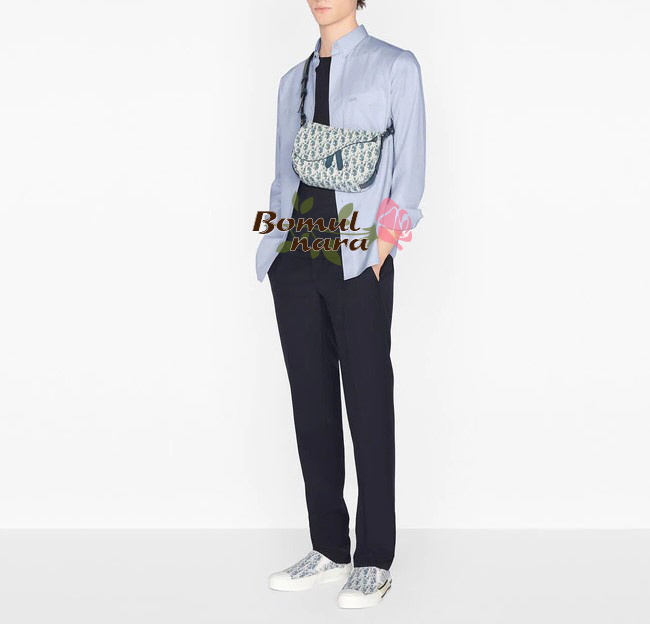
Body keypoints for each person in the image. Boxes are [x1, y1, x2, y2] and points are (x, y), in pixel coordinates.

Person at [256, 0, 426, 609]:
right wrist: (274, 248)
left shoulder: (395, 66)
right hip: (296, 256)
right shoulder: (291, 81)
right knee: (312, 406)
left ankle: (373, 559)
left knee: (368, 403)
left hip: (358, 258)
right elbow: (285, 175)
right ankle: (328, 548)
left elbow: (409, 171)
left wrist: (383, 248)